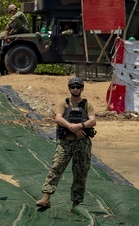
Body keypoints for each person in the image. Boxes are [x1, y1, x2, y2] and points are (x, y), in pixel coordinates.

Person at [36, 76, 97, 212]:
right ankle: (46, 197)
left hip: (82, 144)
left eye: (78, 87)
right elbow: (58, 118)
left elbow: (92, 121)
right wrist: (72, 127)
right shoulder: (63, 103)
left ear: (82, 89)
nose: (75, 89)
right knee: (56, 167)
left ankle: (76, 203)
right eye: (73, 87)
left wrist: (80, 125)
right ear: (69, 88)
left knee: (80, 172)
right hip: (66, 143)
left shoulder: (87, 105)